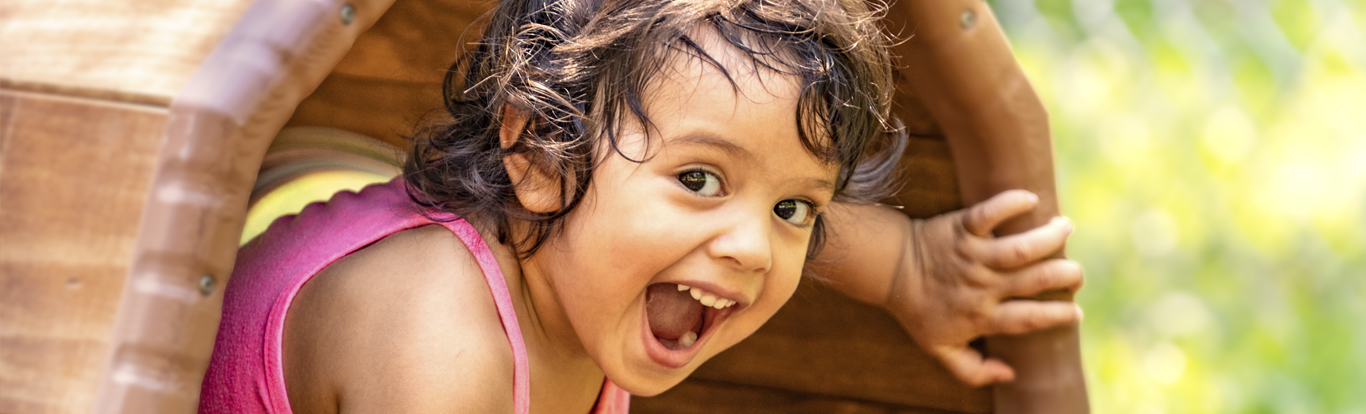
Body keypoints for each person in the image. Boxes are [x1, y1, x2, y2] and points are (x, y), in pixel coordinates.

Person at [199, 0, 1084, 412]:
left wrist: (909, 272)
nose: (751, 247)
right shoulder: (436, 347)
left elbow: (791, 212)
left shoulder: (599, 269)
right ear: (540, 155)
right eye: (699, 180)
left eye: (793, 210)